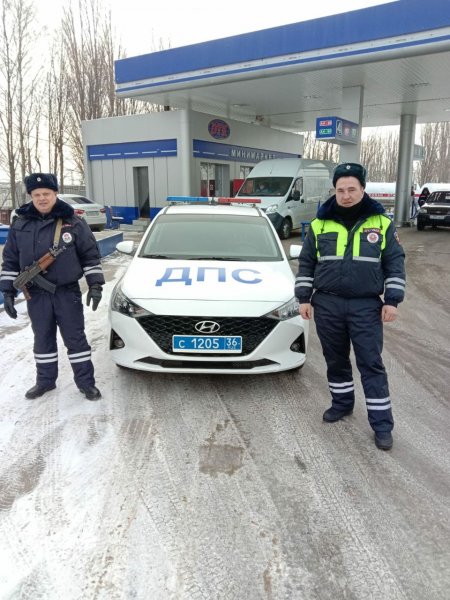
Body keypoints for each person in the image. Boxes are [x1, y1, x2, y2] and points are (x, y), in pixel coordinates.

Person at [295, 162, 405, 450]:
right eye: (340, 190)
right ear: (335, 190)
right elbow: (307, 263)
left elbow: (394, 263)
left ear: (363, 189)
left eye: (351, 189)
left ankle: (382, 424)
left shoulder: (381, 224)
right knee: (336, 360)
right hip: (328, 303)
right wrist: (304, 298)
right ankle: (342, 404)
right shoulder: (320, 224)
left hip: (365, 306)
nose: (345, 195)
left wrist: (392, 300)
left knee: (371, 363)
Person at [0, 173, 105, 400]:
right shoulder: (21, 224)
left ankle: (86, 384)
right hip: (36, 296)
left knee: (76, 340)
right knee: (43, 339)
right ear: (31, 196)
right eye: (37, 195)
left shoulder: (74, 222)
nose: (42, 198)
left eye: (46, 193)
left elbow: (90, 256)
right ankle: (45, 382)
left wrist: (95, 285)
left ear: (55, 194)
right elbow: (9, 260)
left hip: (67, 293)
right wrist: (7, 291)